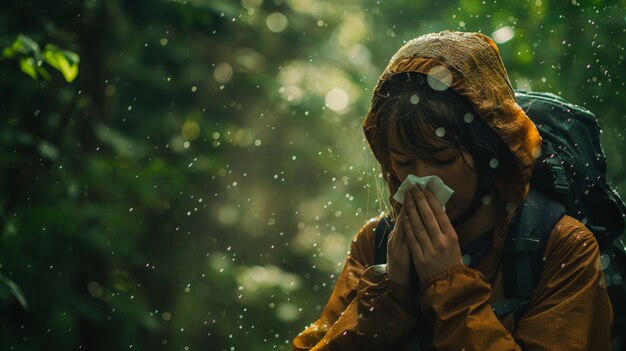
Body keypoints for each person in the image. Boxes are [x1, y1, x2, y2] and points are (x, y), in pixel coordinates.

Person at [292, 31, 613, 350]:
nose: (420, 180)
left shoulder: (561, 248)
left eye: (442, 158)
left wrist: (449, 285)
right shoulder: (375, 244)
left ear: (489, 151)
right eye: (403, 161)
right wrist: (391, 293)